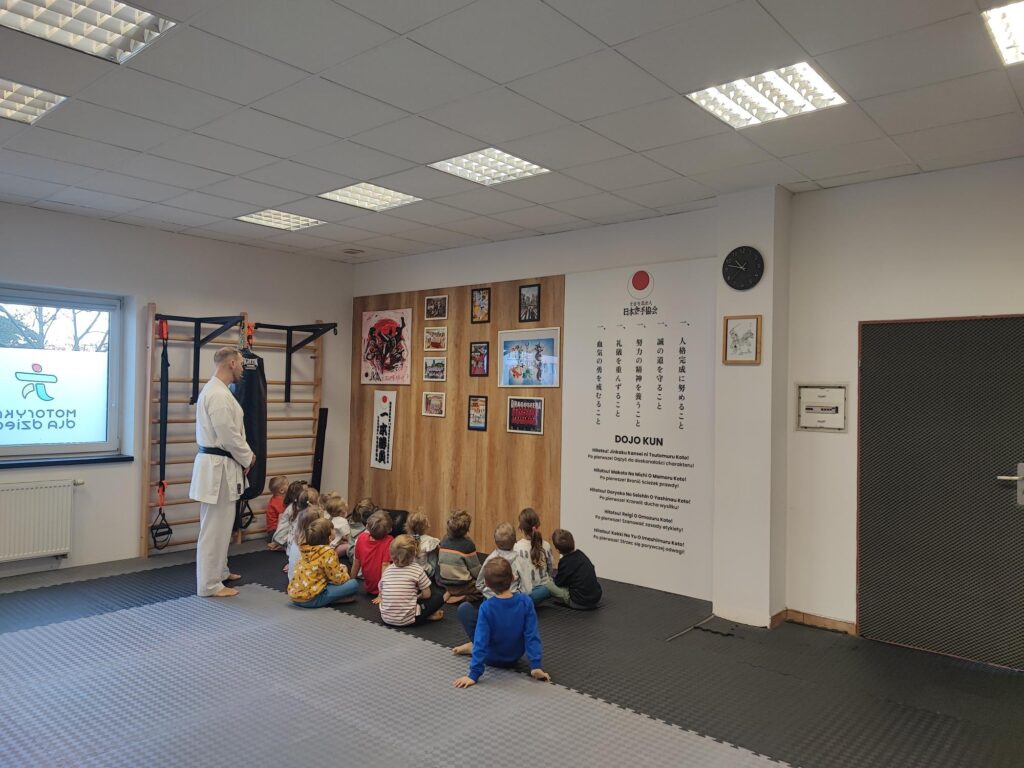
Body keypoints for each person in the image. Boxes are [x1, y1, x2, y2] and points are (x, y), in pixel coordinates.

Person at [189, 346, 255, 598]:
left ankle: (220, 571)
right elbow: (228, 435)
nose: (242, 369)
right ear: (231, 363)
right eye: (240, 364)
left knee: (222, 525)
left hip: (221, 466)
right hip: (218, 468)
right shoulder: (217, 394)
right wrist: (248, 457)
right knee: (214, 528)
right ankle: (209, 584)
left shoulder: (219, 391)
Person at [452, 558, 551, 688]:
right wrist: (535, 665)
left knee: (464, 609)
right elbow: (531, 635)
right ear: (513, 577)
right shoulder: (526, 602)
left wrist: (473, 675)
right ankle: (471, 647)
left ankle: (472, 647)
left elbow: (481, 641)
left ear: (486, 584)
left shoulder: (487, 607)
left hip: (490, 657)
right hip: (514, 656)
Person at [288, 518, 359, 608]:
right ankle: (331, 600)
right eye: (333, 529)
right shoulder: (328, 552)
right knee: (353, 584)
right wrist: (344, 572)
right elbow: (338, 580)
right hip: (311, 599)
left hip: (294, 596)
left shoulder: (305, 548)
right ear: (329, 537)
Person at [377, 535, 444, 627]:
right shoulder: (417, 569)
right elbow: (427, 595)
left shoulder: (387, 570)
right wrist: (417, 597)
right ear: (414, 554)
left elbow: (381, 592)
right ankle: (426, 616)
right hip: (408, 619)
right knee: (438, 597)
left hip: (386, 617)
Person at [548, 529, 602, 610]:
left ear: (558, 551)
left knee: (548, 584)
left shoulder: (565, 562)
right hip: (595, 598)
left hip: (579, 602)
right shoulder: (581, 554)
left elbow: (559, 583)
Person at [437, 509, 481, 605]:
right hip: (462, 586)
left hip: (444, 583)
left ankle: (449, 592)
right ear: (467, 529)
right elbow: (475, 570)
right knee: (483, 589)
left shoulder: (443, 540)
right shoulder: (468, 545)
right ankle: (461, 597)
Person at [513, 508, 555, 604]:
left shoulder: (516, 547)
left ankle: (524, 603)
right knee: (550, 586)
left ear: (520, 527)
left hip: (525, 591)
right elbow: (550, 568)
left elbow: (515, 574)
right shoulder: (546, 545)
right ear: (537, 525)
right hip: (543, 589)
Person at [349, 510, 393, 598]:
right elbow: (385, 568)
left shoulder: (361, 537)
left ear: (367, 526)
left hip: (369, 587)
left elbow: (356, 563)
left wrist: (350, 582)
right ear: (389, 530)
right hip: (384, 589)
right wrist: (381, 594)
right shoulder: (390, 541)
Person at [272, 480, 308, 550]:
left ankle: (282, 546)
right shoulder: (293, 508)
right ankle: (284, 546)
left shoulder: (294, 506)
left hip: (280, 537)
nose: (307, 494)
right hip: (282, 538)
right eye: (305, 492)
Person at [407, 512, 439, 581]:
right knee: (433, 552)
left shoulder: (405, 539)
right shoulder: (430, 540)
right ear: (426, 526)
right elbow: (438, 552)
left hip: (409, 571)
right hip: (425, 572)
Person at [264, 475, 289, 550]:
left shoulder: (276, 498)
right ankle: (277, 544)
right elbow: (282, 517)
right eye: (287, 484)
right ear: (281, 490)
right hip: (275, 532)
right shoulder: (279, 501)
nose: (289, 486)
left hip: (273, 531)